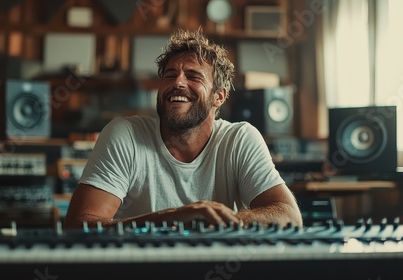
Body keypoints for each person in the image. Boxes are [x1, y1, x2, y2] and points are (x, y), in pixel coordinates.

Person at [64, 28, 303, 230]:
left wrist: (215, 220)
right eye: (170, 75)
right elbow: (79, 225)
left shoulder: (239, 139)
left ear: (218, 96)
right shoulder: (125, 134)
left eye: (193, 76)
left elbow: (288, 216)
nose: (177, 82)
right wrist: (171, 218)